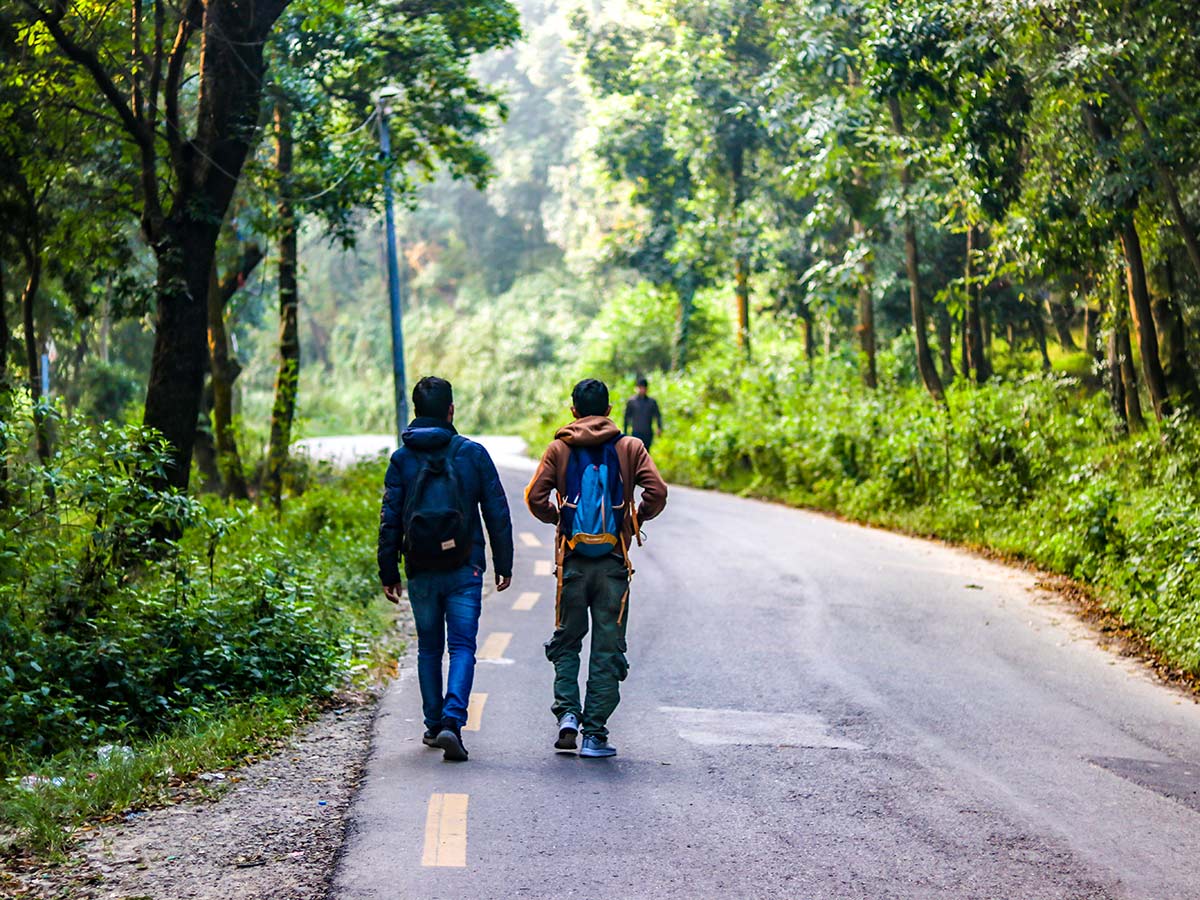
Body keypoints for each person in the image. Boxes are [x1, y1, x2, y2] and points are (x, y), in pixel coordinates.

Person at [525, 378, 667, 758]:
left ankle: (568, 715)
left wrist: (557, 518)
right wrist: (634, 520)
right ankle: (594, 734)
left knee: (567, 641)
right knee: (607, 649)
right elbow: (657, 491)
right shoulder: (630, 447)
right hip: (613, 565)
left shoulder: (559, 449)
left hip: (571, 562)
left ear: (573, 410)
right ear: (608, 410)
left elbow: (535, 496)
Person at [378, 376, 514, 762]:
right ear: (451, 410)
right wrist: (503, 563)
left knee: (429, 648)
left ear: (417, 413)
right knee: (462, 646)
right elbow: (497, 512)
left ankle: (433, 723)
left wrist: (389, 571)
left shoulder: (402, 459)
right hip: (465, 566)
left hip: (420, 568)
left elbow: (389, 519)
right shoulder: (472, 454)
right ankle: (453, 721)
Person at [623, 376, 663, 451]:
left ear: (647, 389)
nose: (642, 390)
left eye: (644, 388)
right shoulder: (632, 402)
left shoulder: (651, 402)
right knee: (636, 452)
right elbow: (626, 417)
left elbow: (658, 416)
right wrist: (625, 432)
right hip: (636, 432)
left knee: (646, 452)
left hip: (647, 433)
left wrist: (659, 427)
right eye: (640, 388)